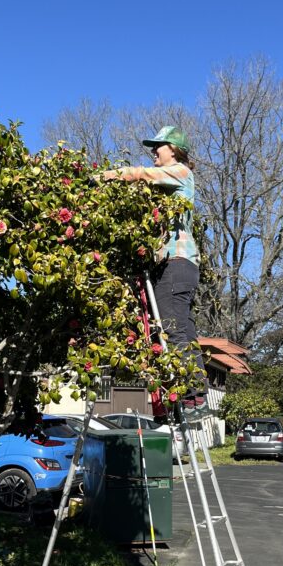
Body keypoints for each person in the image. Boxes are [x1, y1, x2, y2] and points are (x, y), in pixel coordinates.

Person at [101, 126, 210, 421]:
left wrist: (109, 177)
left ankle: (192, 398)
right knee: (181, 328)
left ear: (173, 149)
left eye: (158, 146)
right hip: (179, 265)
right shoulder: (172, 181)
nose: (154, 152)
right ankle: (192, 396)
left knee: (173, 328)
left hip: (176, 262)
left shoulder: (180, 172)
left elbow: (143, 174)